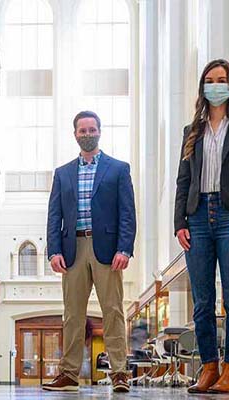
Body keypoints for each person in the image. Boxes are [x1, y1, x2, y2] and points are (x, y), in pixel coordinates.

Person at [174, 59, 229, 394]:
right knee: (201, 300)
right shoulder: (192, 131)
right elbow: (184, 180)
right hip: (197, 217)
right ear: (203, 88)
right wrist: (179, 222)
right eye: (209, 80)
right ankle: (209, 367)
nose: (215, 85)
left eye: (221, 80)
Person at [43, 111, 136, 393]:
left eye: (91, 129)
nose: (87, 134)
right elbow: (54, 214)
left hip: (107, 249)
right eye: (82, 130)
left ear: (99, 131)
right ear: (75, 134)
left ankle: (119, 372)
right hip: (73, 249)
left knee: (113, 311)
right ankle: (69, 374)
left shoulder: (118, 169)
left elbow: (127, 213)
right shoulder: (63, 173)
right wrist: (53, 251)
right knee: (72, 314)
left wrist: (125, 248)